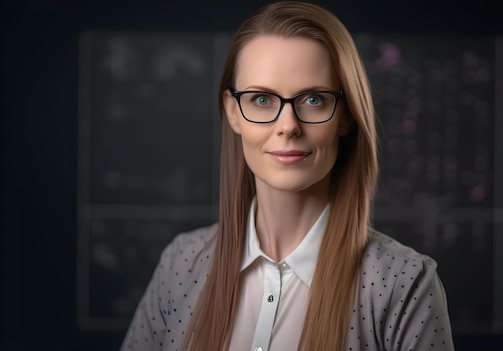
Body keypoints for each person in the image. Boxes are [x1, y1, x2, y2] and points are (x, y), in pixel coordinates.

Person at [121, 1, 454, 350]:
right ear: (233, 112)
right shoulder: (181, 264)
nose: (288, 126)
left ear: (346, 116)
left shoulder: (404, 283)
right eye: (262, 100)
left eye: (313, 100)